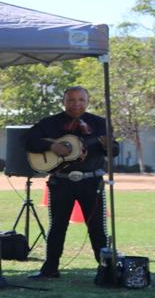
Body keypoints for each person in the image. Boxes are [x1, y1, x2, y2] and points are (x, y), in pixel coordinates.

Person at [24, 86, 110, 279]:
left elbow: (113, 151)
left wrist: (110, 146)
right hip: (61, 182)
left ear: (87, 102)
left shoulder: (99, 124)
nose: (76, 104)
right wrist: (51, 145)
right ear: (64, 102)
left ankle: (105, 269)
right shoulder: (50, 123)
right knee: (57, 226)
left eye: (81, 100)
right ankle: (50, 269)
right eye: (71, 100)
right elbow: (29, 141)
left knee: (97, 227)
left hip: (91, 182)